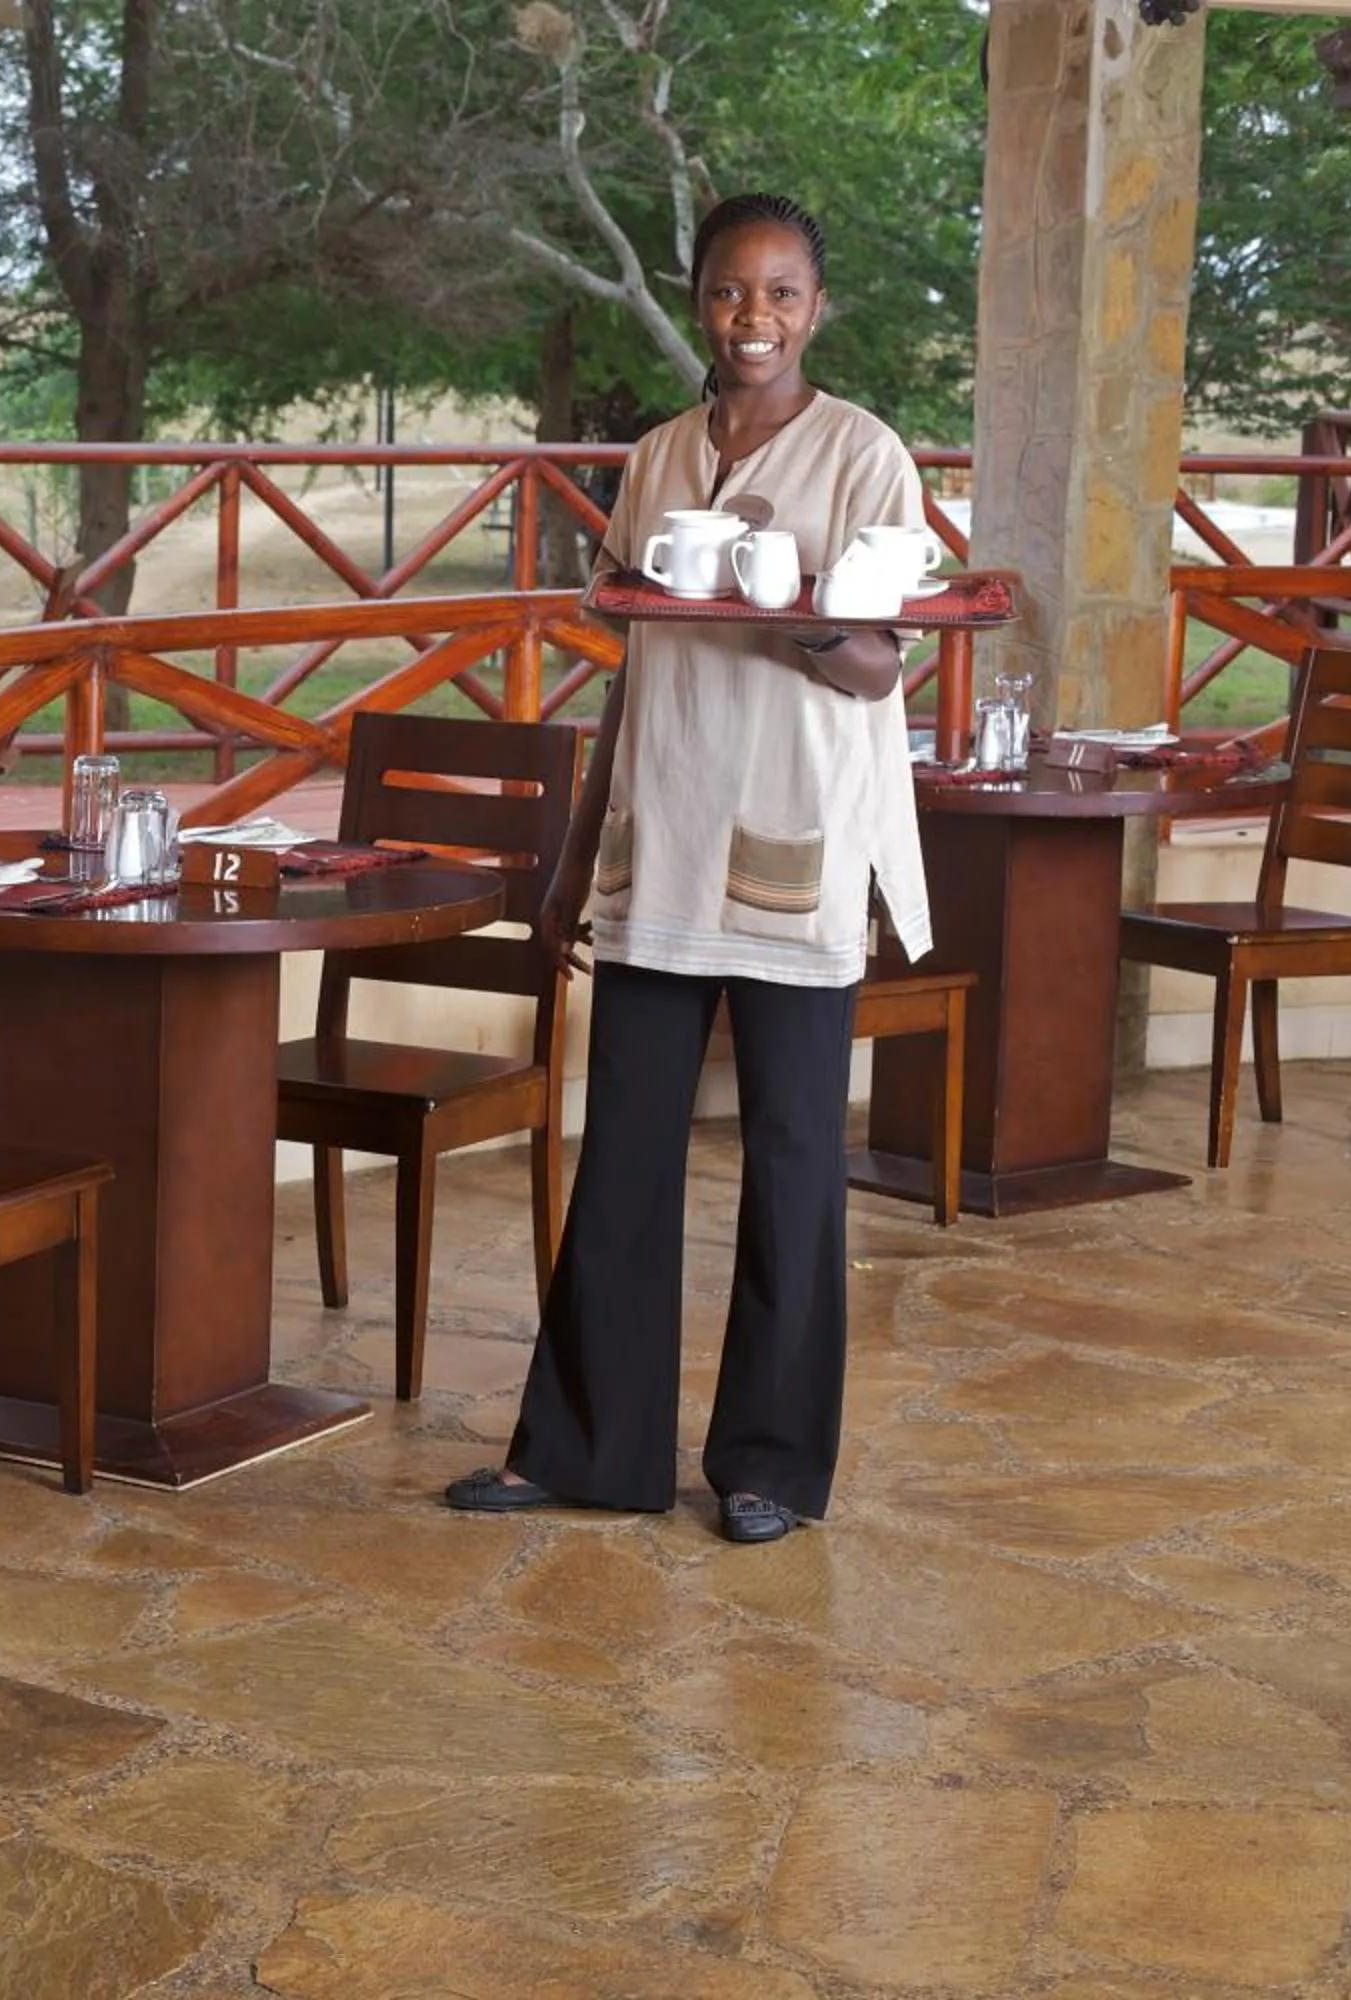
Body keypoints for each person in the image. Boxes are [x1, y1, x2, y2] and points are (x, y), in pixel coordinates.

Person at [443, 192, 933, 1546]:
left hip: (795, 845)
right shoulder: (658, 457)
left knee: (789, 1162)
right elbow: (635, 669)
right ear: (700, 300)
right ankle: (590, 1447)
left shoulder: (865, 457)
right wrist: (571, 866)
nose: (753, 318)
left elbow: (889, 665)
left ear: (815, 309)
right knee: (627, 1157)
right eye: (730, 292)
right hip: (658, 850)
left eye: (780, 294)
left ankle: (771, 1463)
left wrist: (798, 625)